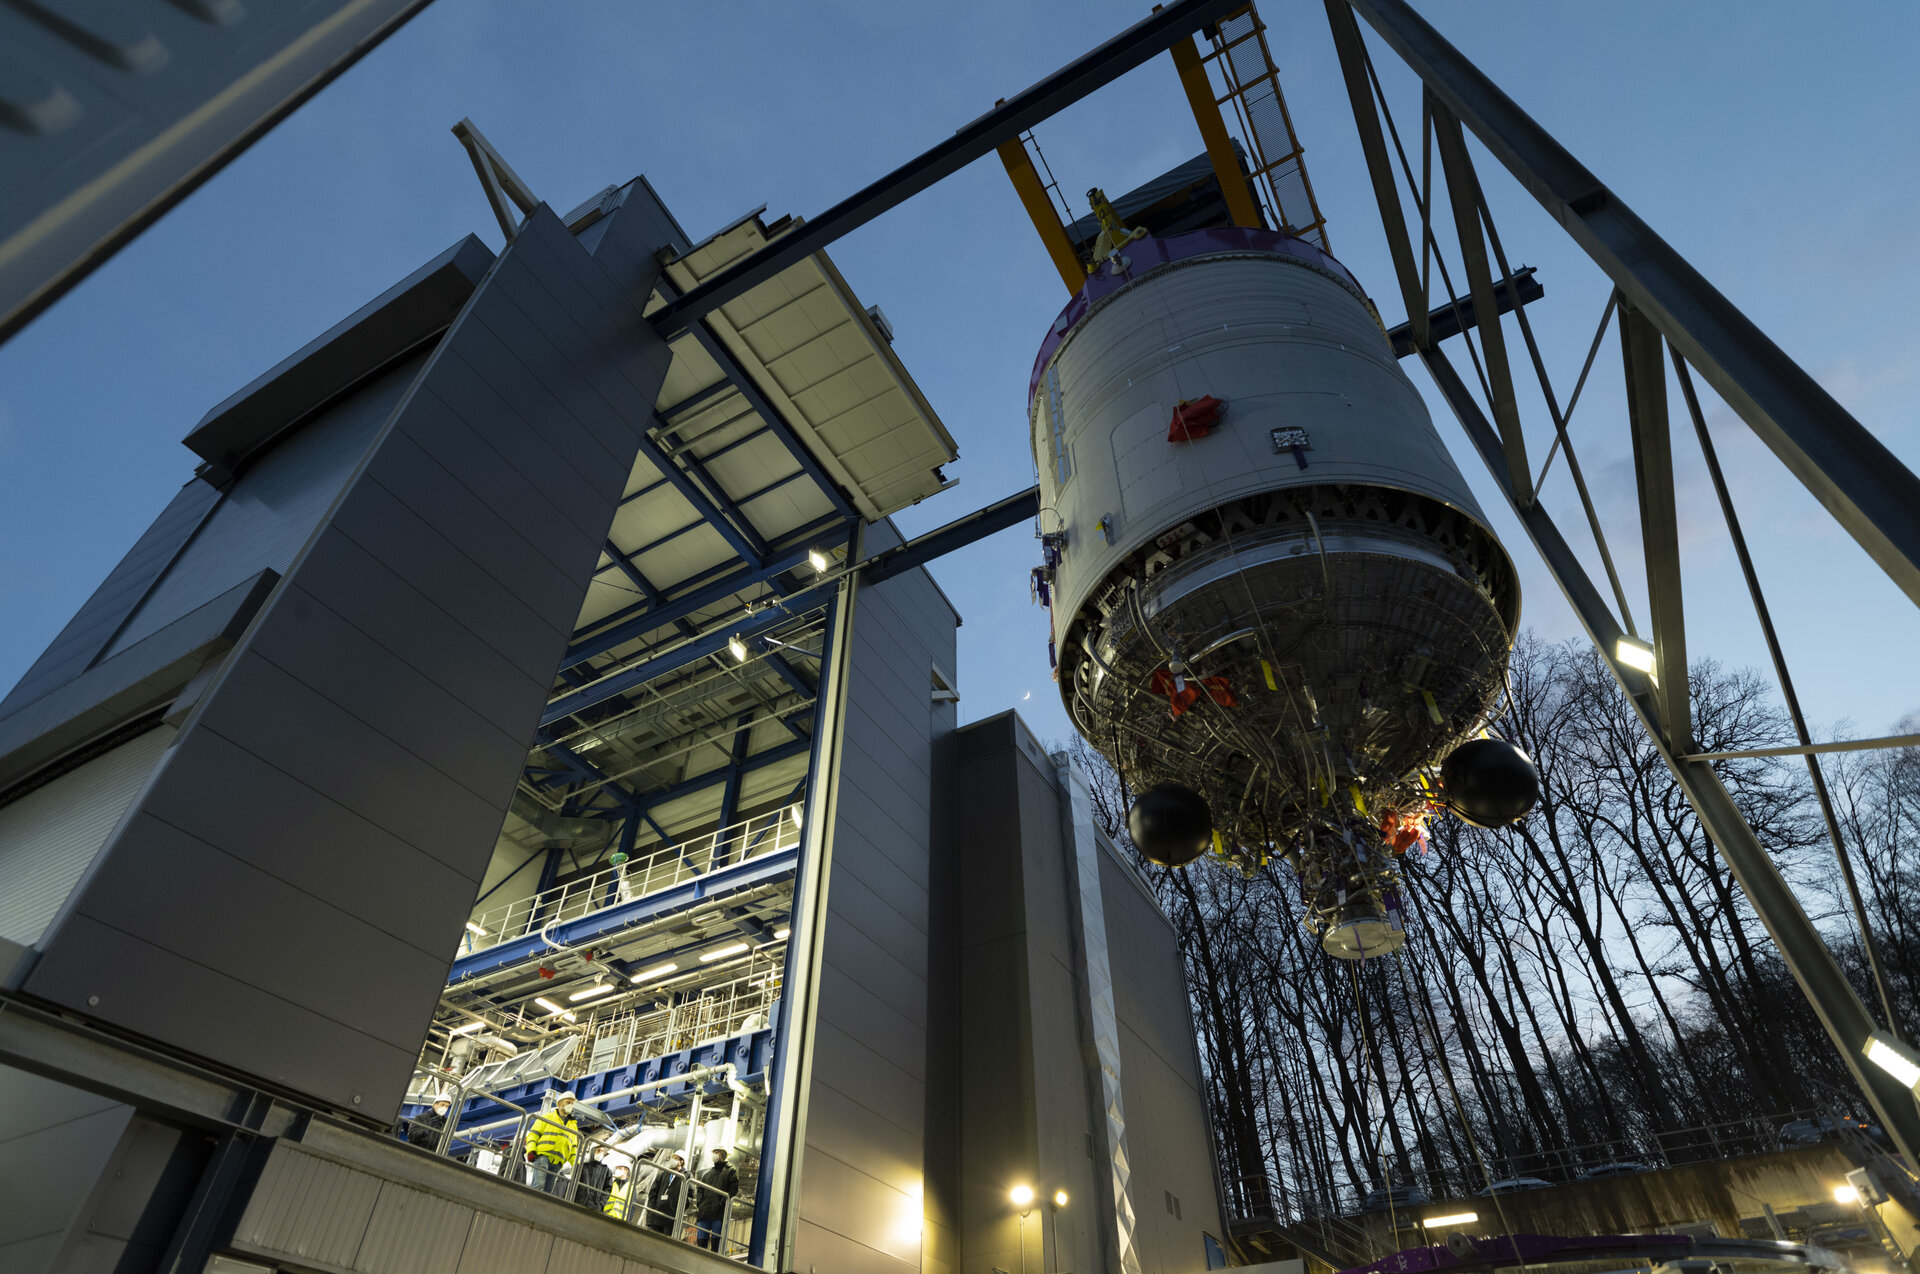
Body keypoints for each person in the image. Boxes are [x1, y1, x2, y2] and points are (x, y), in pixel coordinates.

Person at [524, 1093, 581, 1196]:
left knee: (548, 1192)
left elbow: (573, 1149)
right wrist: (531, 1150)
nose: (571, 1105)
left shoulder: (573, 1126)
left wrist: (576, 1164)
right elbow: (533, 1135)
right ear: (559, 1104)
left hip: (558, 1162)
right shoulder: (547, 1117)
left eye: (572, 1103)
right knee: (538, 1186)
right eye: (568, 1102)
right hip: (542, 1156)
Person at [695, 1146, 739, 1252]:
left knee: (715, 1245)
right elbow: (700, 1189)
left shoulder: (730, 1171)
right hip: (704, 1213)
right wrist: (700, 1203)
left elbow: (733, 1190)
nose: (714, 1154)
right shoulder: (707, 1173)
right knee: (701, 1244)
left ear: (722, 1155)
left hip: (719, 1214)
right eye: (714, 1152)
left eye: (717, 1152)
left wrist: (721, 1203)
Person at [645, 1151, 685, 1234]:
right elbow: (653, 1193)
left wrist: (677, 1211)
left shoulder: (686, 1177)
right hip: (656, 1215)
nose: (673, 1160)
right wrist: (651, 1210)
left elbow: (688, 1197)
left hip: (671, 1217)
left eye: (676, 1158)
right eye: (672, 1158)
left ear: (681, 1162)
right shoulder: (664, 1174)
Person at [575, 1143, 615, 1211]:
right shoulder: (583, 1167)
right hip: (579, 1203)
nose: (601, 1153)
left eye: (602, 1151)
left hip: (595, 1207)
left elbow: (608, 1190)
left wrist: (601, 1204)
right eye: (598, 1150)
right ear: (593, 1152)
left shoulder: (606, 1171)